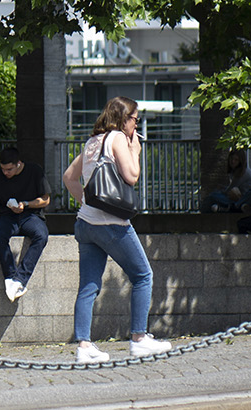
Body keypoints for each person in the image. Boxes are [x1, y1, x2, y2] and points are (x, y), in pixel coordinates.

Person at [61, 96, 171, 363]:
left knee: (88, 285)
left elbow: (68, 177)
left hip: (85, 223)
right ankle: (139, 339)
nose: (137, 124)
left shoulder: (92, 142)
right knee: (143, 275)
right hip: (111, 224)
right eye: (135, 119)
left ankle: (84, 347)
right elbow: (132, 176)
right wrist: (136, 149)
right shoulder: (119, 138)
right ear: (124, 119)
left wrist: (88, 202)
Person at [0, 146, 52, 301]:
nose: (6, 173)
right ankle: (10, 277)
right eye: (3, 169)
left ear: (18, 163)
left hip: (30, 215)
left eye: (9, 169)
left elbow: (45, 199)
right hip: (8, 216)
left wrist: (25, 204)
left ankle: (21, 279)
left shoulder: (34, 171)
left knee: (41, 235)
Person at [204, 149, 251, 214]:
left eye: (236, 160)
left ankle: (233, 207)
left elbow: (230, 189)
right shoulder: (233, 172)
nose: (233, 161)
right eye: (231, 159)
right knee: (213, 196)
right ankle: (239, 207)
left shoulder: (245, 172)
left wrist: (223, 191)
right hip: (239, 202)